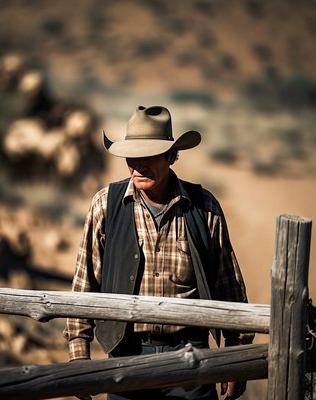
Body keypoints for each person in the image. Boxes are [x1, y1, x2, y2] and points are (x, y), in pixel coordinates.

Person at [64, 105, 251, 400]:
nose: (139, 166)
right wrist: (78, 354)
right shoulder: (105, 205)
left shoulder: (204, 208)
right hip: (125, 357)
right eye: (132, 158)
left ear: (171, 156)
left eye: (149, 156)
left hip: (193, 358)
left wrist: (235, 357)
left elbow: (230, 288)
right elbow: (84, 284)